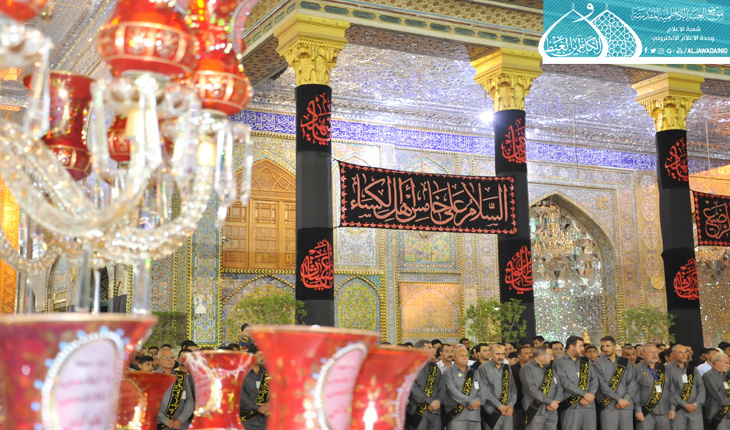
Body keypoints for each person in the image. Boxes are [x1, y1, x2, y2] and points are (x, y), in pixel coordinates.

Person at [554, 335, 599, 430]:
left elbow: (594, 380)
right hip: (571, 405)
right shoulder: (559, 362)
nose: (583, 349)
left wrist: (590, 394)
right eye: (580, 346)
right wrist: (584, 394)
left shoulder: (585, 361)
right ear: (571, 347)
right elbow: (564, 382)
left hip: (588, 404)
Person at [595, 336, 636, 430]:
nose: (605, 349)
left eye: (608, 346)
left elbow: (631, 383)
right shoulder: (598, 363)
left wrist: (625, 399)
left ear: (614, 346)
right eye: (603, 346)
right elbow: (603, 385)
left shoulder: (625, 362)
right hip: (608, 405)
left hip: (626, 404)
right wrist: (619, 400)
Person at [633, 344, 675, 430]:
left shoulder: (663, 369)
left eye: (656, 352)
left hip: (663, 411)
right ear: (643, 354)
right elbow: (634, 391)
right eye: (651, 352)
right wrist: (638, 410)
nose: (655, 354)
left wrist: (672, 408)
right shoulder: (637, 369)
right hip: (646, 412)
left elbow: (671, 390)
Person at [520, 345, 562, 430]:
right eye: (550, 356)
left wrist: (556, 401)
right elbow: (531, 389)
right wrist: (550, 402)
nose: (552, 358)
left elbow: (559, 386)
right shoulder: (527, 368)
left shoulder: (550, 368)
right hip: (536, 409)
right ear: (541, 356)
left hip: (552, 410)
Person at [406, 340, 444, 430]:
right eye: (429, 348)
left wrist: (437, 401)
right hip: (418, 411)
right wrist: (429, 401)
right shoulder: (411, 367)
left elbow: (442, 388)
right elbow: (413, 388)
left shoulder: (435, 368)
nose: (433, 350)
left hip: (435, 410)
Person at [477, 344, 517, 430]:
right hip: (492, 411)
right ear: (491, 354)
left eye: (503, 354)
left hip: (507, 410)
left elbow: (513, 389)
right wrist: (499, 406)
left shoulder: (507, 368)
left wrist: (511, 405)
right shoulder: (483, 368)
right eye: (498, 354)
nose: (501, 357)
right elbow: (484, 390)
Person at [665, 344, 704, 430]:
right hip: (677, 409)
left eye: (685, 352)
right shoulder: (666, 369)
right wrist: (685, 405)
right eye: (680, 352)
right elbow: (669, 390)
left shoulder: (693, 369)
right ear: (673, 355)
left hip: (695, 409)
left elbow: (701, 388)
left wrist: (695, 403)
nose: (684, 355)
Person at [442, 347, 482, 430]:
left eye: (466, 356)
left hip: (474, 413)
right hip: (457, 415)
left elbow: (483, 390)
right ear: (454, 357)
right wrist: (470, 401)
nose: (465, 358)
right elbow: (452, 391)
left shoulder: (475, 372)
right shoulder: (448, 372)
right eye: (461, 356)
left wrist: (477, 401)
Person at [157, 347, 195, 430]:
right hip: (160, 425)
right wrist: (165, 420)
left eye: (172, 357)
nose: (170, 360)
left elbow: (190, 401)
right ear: (158, 360)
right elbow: (147, 404)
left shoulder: (182, 377)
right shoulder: (152, 378)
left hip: (181, 425)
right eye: (166, 357)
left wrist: (180, 420)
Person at [240, 345, 269, 430]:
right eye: (261, 355)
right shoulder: (241, 373)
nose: (264, 357)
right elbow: (241, 396)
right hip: (247, 420)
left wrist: (270, 405)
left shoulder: (268, 373)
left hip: (266, 420)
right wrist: (259, 408)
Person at [702, 352, 730, 430]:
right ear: (717, 363)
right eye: (726, 363)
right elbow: (716, 393)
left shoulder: (727, 375)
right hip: (717, 413)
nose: (728, 365)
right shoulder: (708, 375)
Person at [512, 345, 534, 430]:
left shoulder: (536, 368)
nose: (530, 355)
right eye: (526, 353)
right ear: (519, 356)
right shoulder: (513, 369)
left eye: (530, 353)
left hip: (533, 403)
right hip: (518, 404)